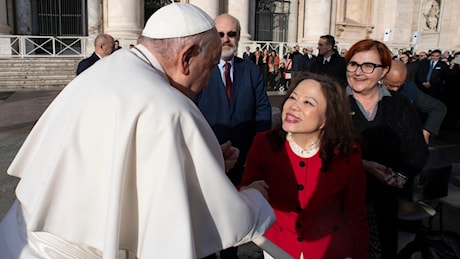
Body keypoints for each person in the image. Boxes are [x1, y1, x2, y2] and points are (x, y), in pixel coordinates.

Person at [0, 3, 275, 258]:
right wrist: (253, 201)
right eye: (211, 65)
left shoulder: (107, 69)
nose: (206, 82)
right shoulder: (169, 106)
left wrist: (205, 159)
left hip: (15, 238)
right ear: (187, 56)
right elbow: (180, 223)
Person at [239, 72, 369, 258]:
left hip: (329, 250)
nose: (294, 106)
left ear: (327, 118)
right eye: (292, 97)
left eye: (308, 102)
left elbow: (355, 212)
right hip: (277, 249)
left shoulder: (348, 153)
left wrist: (360, 254)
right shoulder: (264, 143)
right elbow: (248, 192)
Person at [194, 13, 272, 258]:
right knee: (204, 219)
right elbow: (190, 111)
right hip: (207, 159)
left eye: (231, 34)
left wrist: (256, 154)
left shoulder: (250, 70)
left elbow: (262, 112)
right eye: (220, 34)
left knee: (233, 219)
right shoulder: (199, 69)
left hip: (242, 160)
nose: (226, 40)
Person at [345, 39, 429, 258]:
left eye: (369, 66)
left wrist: (401, 175)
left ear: (384, 71)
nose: (359, 72)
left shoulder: (400, 106)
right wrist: (361, 165)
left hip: (384, 204)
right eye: (353, 64)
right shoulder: (332, 103)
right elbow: (318, 150)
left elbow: (417, 151)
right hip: (340, 204)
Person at [383, 60, 447, 144]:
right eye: (390, 85)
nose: (395, 89)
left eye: (400, 85)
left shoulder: (410, 89)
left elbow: (438, 108)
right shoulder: (369, 89)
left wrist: (426, 132)